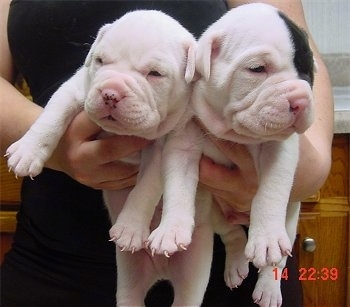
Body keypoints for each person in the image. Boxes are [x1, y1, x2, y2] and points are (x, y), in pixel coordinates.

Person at [0, 0, 333, 306]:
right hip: (54, 258)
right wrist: (48, 142)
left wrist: (312, 166)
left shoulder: (199, 97)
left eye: (155, 72)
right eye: (101, 60)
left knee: (266, 236)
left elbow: (298, 52)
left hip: (231, 276)